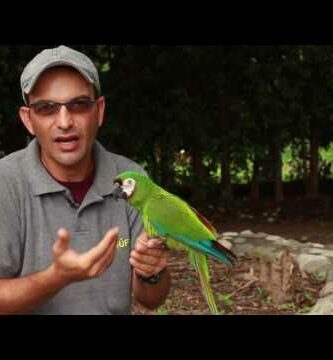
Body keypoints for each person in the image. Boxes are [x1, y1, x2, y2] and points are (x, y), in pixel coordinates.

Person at [0, 45, 171, 315]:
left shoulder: (131, 180)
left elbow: (152, 299)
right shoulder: (5, 182)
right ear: (28, 120)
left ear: (99, 111)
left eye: (79, 105)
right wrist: (56, 277)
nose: (65, 122)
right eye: (47, 108)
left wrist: (151, 271)